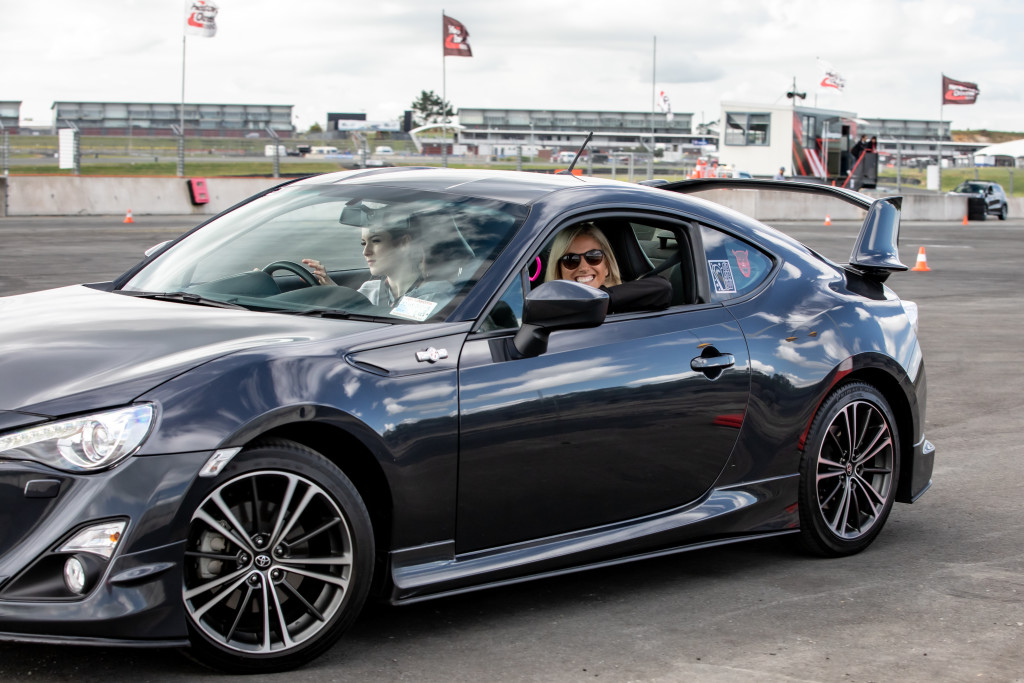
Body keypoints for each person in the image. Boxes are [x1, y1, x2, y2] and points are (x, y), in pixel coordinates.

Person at [545, 224, 672, 314]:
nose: (583, 268)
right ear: (558, 268)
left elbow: (663, 288)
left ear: (606, 266)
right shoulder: (546, 307)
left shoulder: (627, 300)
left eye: (593, 256)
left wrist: (599, 300)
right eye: (571, 260)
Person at [303, 222, 424, 307]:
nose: (365, 252)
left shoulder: (430, 296)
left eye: (376, 241)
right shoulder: (369, 290)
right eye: (363, 243)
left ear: (404, 243)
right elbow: (352, 309)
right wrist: (332, 288)